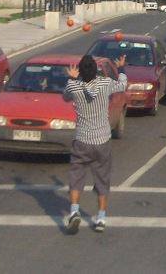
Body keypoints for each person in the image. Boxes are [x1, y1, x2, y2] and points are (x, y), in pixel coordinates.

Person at [62, 53, 127, 234]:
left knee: (76, 177)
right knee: (102, 179)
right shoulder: (104, 84)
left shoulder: (74, 86)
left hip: (82, 139)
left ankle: (74, 211)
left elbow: (65, 97)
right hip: (102, 139)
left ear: (80, 71)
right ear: (96, 71)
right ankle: (100, 218)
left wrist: (71, 78)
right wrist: (121, 68)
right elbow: (122, 85)